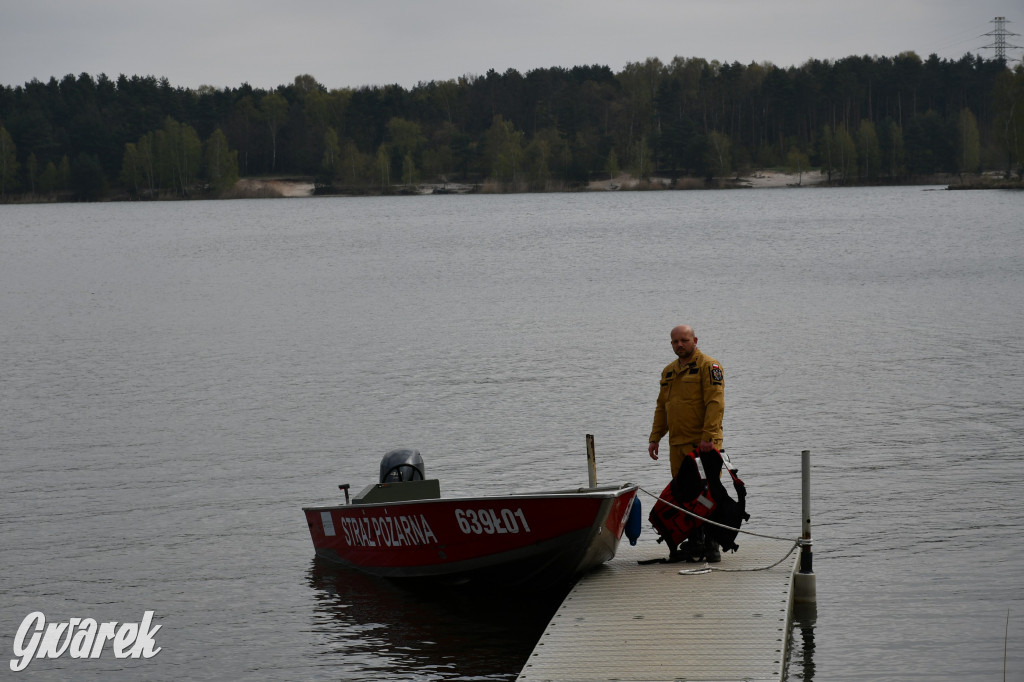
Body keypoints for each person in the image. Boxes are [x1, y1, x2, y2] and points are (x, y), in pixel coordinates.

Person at [647, 324, 725, 561]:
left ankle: (712, 544)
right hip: (677, 444)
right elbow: (662, 407)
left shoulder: (708, 367)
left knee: (706, 493)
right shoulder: (669, 372)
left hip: (702, 444)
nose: (679, 345)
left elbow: (715, 403)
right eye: (675, 341)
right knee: (684, 494)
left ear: (695, 341)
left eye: (684, 340)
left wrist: (708, 437)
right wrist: (655, 437)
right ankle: (695, 541)